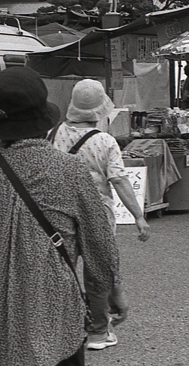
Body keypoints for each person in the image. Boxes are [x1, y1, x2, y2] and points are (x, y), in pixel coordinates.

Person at [0, 67, 120, 366]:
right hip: (54, 321)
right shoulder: (70, 171)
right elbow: (99, 248)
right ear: (43, 121)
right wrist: (110, 294)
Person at [50, 79, 150, 351]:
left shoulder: (53, 134)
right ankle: (97, 332)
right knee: (98, 273)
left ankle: (62, 330)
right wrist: (138, 216)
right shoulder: (105, 141)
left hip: (59, 211)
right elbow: (118, 180)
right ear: (100, 109)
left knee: (63, 271)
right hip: (97, 213)